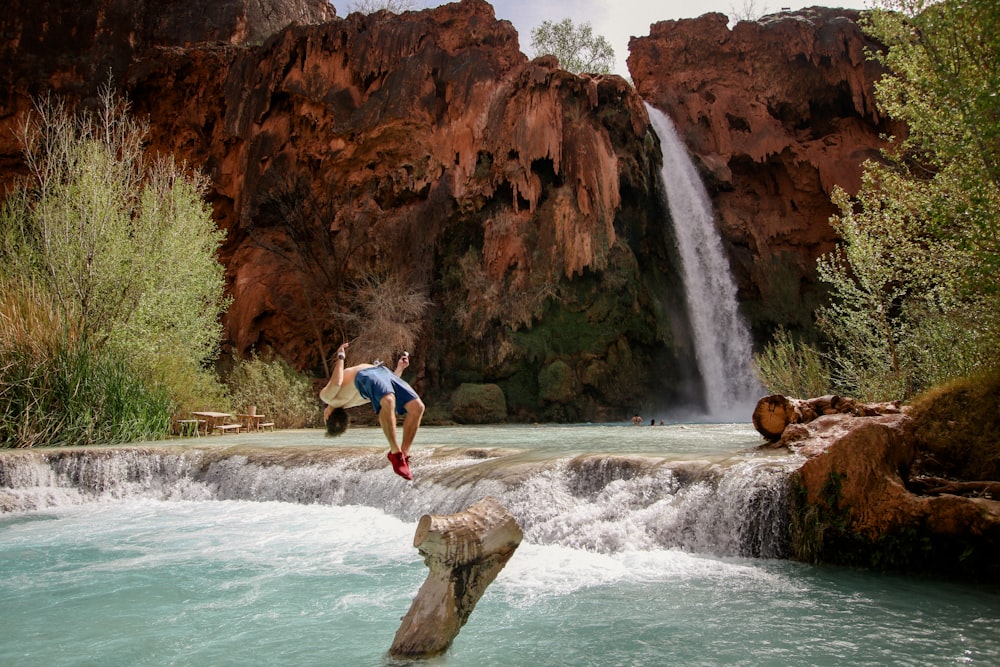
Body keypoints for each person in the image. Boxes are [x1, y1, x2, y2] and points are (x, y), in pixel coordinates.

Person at [319, 342, 425, 480]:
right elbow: (337, 382)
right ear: (327, 416)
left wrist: (400, 368)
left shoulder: (351, 400)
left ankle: (403, 455)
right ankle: (396, 453)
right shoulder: (328, 397)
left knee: (417, 407)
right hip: (369, 373)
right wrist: (340, 356)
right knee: (389, 401)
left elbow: (384, 388)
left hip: (381, 372)